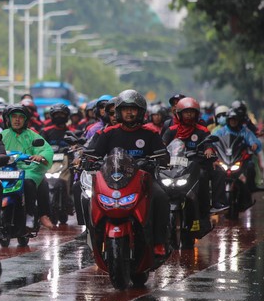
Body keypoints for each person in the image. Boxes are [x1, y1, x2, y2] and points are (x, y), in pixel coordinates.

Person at [87, 89, 170, 259]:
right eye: (125, 109)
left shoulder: (150, 134)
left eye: (133, 109)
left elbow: (163, 155)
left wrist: (157, 160)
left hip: (143, 181)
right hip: (112, 181)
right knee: (90, 197)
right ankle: (94, 239)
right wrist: (86, 160)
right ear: (119, 112)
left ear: (141, 112)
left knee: (162, 196)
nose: (129, 113)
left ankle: (159, 242)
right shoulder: (108, 133)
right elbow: (92, 153)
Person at [161, 97, 215, 234]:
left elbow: (209, 143)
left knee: (203, 176)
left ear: (197, 114)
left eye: (192, 112)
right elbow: (162, 146)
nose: (189, 115)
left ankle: (203, 216)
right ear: (179, 114)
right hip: (175, 167)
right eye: (186, 112)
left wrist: (209, 150)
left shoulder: (202, 130)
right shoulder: (171, 130)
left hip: (194, 167)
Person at [0, 105, 54, 230]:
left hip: (28, 170)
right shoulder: (2, 135)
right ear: (8, 119)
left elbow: (46, 150)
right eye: (14, 116)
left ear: (25, 120)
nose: (17, 120)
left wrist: (40, 156)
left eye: (20, 117)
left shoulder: (33, 135)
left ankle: (31, 214)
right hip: (5, 170)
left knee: (29, 183)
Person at [212, 107, 261, 208]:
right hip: (225, 159)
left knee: (250, 167)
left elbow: (253, 140)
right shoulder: (221, 131)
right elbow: (212, 140)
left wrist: (254, 144)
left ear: (238, 120)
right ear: (228, 120)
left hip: (240, 160)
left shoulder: (244, 131)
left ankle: (249, 192)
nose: (233, 122)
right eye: (231, 119)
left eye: (235, 119)